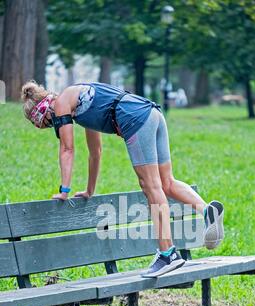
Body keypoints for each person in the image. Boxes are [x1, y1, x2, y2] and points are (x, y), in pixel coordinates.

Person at [21, 80, 224, 278]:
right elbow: (95, 152)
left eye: (47, 123)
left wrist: (64, 190)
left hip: (134, 119)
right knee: (166, 183)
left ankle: (167, 254)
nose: (54, 125)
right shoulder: (81, 101)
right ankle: (207, 210)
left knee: (150, 186)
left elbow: (67, 148)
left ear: (44, 111)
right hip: (151, 113)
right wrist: (89, 189)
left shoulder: (63, 102)